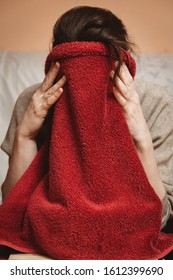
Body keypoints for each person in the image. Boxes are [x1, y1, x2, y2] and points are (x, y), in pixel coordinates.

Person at [1, 5, 173, 235]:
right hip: (46, 237)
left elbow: (159, 219)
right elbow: (13, 211)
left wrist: (140, 136)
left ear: (124, 61)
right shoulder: (33, 102)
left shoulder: (155, 103)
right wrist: (26, 135)